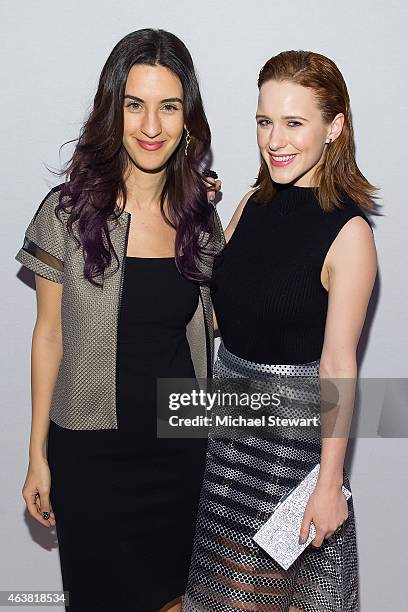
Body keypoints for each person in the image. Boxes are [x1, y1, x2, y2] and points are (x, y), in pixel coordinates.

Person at [15, 29, 224, 612]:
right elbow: (48, 335)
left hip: (181, 454)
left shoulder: (200, 223)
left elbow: (223, 334)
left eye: (168, 106)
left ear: (187, 118)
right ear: (115, 109)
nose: (151, 125)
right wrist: (37, 454)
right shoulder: (68, 212)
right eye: (135, 104)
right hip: (90, 458)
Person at [182, 50, 378, 611]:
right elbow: (220, 316)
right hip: (225, 439)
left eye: (295, 123)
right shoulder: (250, 202)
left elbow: (340, 363)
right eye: (265, 121)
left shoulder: (350, 233)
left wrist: (328, 483)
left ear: (334, 127)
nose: (275, 140)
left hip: (289, 455)